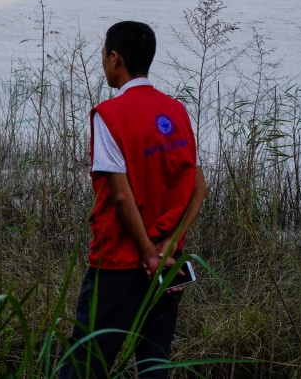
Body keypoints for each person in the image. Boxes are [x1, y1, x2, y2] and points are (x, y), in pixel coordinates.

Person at [59, 21, 208, 379]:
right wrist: (166, 250)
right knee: (155, 362)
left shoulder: (109, 116)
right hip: (169, 264)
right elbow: (198, 188)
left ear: (115, 58)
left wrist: (146, 254)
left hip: (119, 263)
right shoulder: (176, 111)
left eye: (104, 56)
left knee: (85, 363)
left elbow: (122, 198)